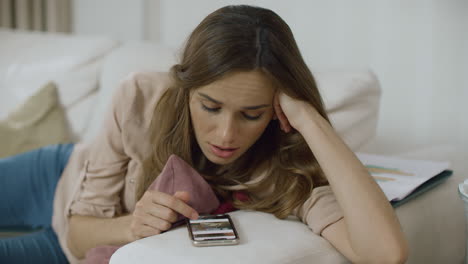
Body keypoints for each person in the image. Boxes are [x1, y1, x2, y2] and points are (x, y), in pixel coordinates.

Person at [0, 5, 409, 264]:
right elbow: (80, 225)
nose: (226, 134)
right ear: (187, 89)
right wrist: (133, 225)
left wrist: (312, 119)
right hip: (61, 171)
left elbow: (386, 254)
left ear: (276, 109)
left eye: (251, 114)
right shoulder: (142, 96)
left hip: (65, 248)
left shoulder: (286, 169)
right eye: (210, 107)